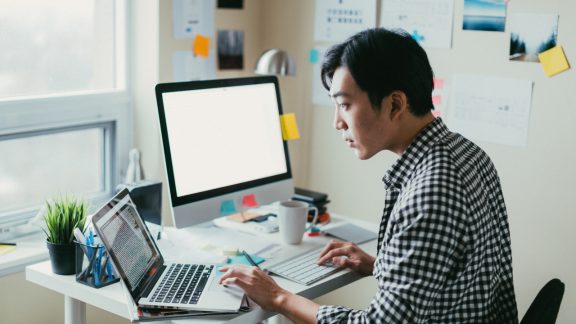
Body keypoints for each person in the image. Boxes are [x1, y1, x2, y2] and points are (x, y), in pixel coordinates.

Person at [218, 27, 518, 323]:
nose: (338, 122)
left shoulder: (431, 190)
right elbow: (457, 275)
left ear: (395, 104)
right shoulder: (467, 153)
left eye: (345, 105)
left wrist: (278, 297)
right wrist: (381, 265)